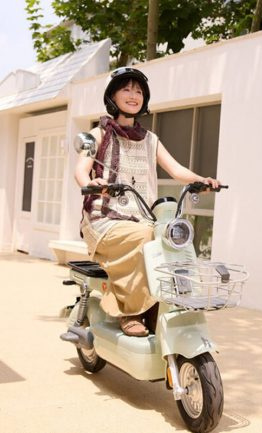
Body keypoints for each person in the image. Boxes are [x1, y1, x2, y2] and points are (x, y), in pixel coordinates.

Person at [75, 67, 220, 337]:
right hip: (104, 221)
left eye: (139, 91)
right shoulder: (99, 134)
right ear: (113, 96)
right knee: (146, 236)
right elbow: (81, 170)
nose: (133, 95)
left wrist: (202, 180)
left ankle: (159, 307)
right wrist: (91, 184)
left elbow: (176, 170)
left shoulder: (150, 139)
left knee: (170, 237)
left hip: (143, 219)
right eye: (126, 89)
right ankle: (131, 311)